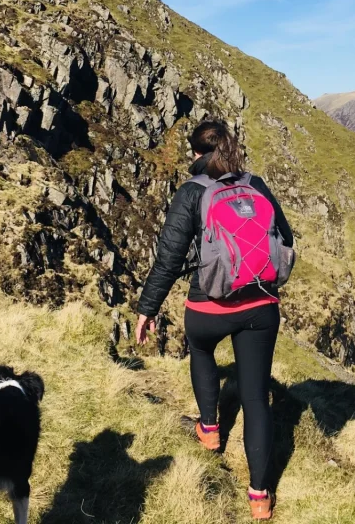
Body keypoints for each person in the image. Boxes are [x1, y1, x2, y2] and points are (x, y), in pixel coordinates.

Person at [135, 120, 293, 521]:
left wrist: (147, 309)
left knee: (202, 350)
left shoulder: (192, 192)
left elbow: (169, 259)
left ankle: (209, 430)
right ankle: (260, 497)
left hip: (210, 306)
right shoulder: (255, 184)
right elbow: (286, 239)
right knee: (256, 398)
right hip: (260, 304)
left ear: (196, 154)